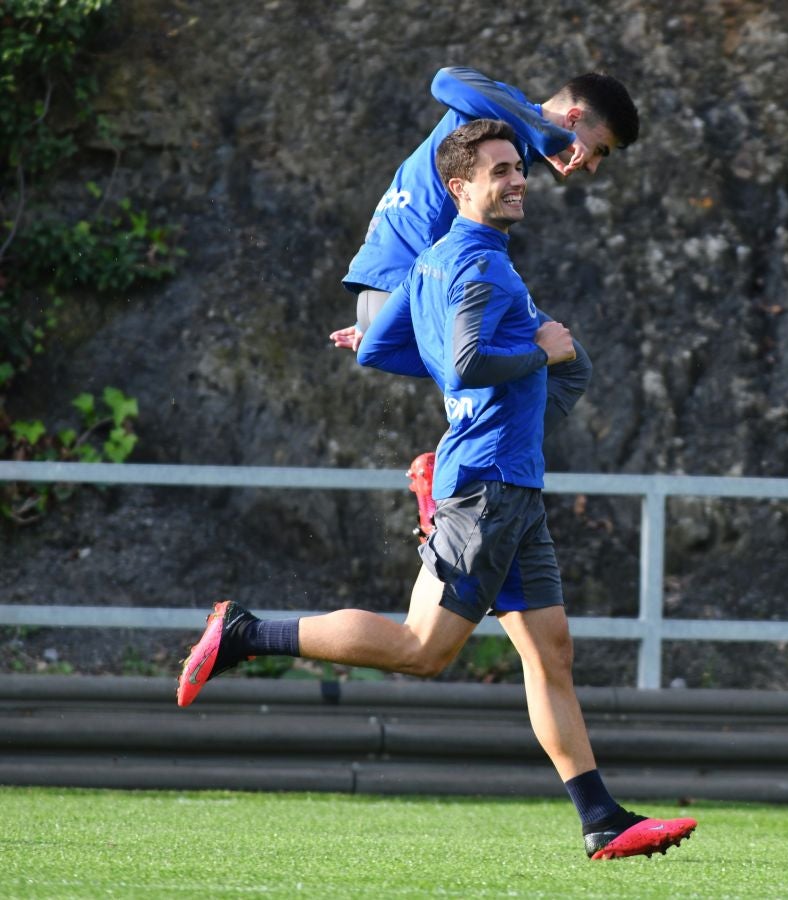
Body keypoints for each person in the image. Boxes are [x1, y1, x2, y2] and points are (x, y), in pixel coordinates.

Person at [176, 119, 696, 862]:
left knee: (551, 652)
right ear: (459, 188)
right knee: (423, 650)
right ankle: (246, 632)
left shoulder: (440, 263)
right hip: (486, 487)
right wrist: (542, 355)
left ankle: (602, 818)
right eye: (499, 172)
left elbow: (385, 348)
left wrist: (519, 364)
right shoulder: (480, 266)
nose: (518, 180)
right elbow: (465, 365)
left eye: (518, 167)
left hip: (509, 484)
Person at [330, 66, 639, 351]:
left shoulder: (513, 153)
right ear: (572, 120)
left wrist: (374, 317)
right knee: (540, 359)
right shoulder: (497, 114)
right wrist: (545, 132)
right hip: (400, 288)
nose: (594, 166)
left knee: (565, 363)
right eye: (599, 151)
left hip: (392, 294)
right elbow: (445, 81)